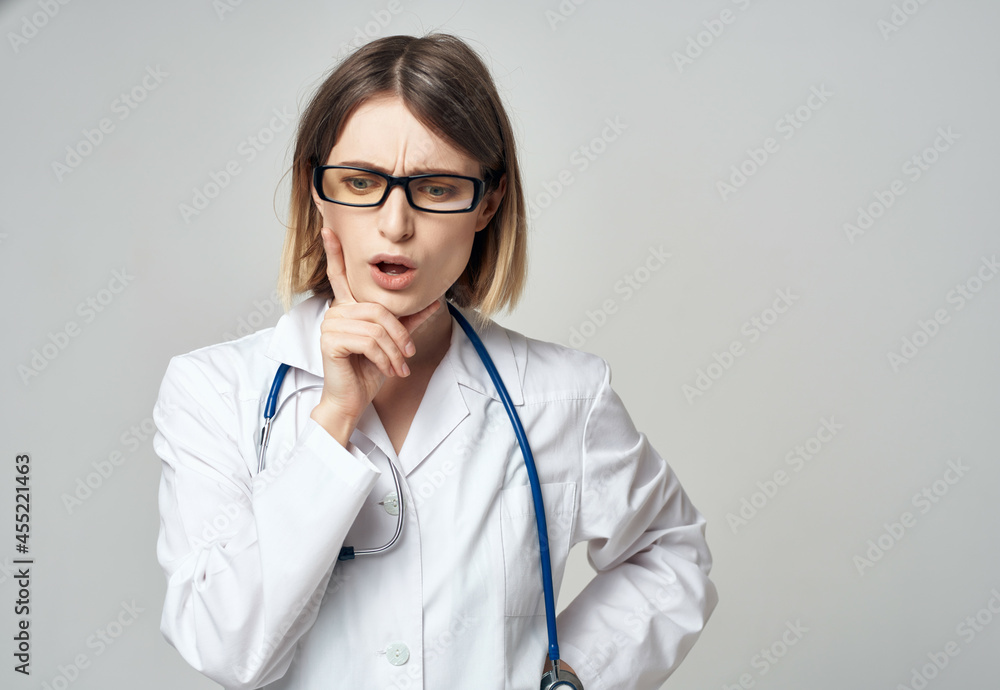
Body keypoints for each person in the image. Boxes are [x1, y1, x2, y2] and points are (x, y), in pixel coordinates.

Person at [152, 33, 718, 690]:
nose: (395, 224)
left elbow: (671, 554)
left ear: (488, 202)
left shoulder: (564, 396)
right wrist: (334, 420)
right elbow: (227, 650)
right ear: (317, 190)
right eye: (361, 182)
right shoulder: (213, 391)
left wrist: (574, 675)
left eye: (438, 187)